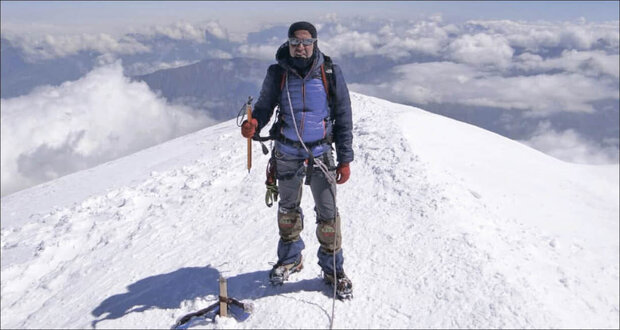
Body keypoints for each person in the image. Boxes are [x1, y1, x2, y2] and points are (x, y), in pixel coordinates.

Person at [240, 21, 354, 299]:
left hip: (320, 153)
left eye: (305, 42)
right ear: (288, 44)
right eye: (295, 42)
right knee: (288, 211)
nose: (300, 47)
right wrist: (253, 122)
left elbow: (344, 117)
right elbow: (265, 105)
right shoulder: (278, 72)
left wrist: (345, 158)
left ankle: (333, 270)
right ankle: (290, 259)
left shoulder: (330, 72)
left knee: (328, 215)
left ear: (315, 43)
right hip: (288, 152)